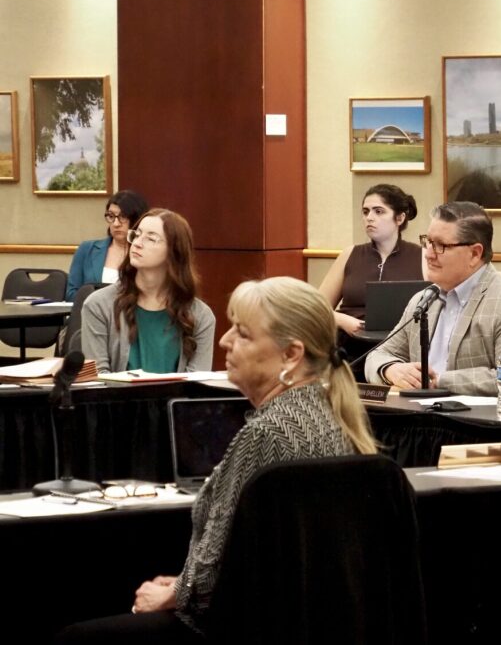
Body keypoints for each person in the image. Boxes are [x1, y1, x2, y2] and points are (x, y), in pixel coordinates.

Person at [55, 277, 378, 643]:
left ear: (291, 354)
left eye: (242, 333)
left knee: (75, 637)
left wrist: (176, 592)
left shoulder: (268, 433)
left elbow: (214, 574)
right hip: (306, 624)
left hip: (236, 629)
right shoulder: (334, 416)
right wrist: (183, 583)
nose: (224, 340)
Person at [365, 201, 501, 400]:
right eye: (428, 242)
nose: (429, 254)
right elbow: (376, 356)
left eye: (440, 245)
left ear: (474, 254)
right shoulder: (423, 300)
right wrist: (390, 369)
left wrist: (437, 381)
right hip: (426, 415)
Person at [81, 208, 215, 373]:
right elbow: (97, 378)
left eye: (151, 238)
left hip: (178, 392)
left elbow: (197, 383)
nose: (137, 243)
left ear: (174, 251)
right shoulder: (98, 305)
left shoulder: (201, 316)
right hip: (113, 391)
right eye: (136, 235)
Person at [319, 183, 424, 337]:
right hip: (349, 342)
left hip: (401, 345)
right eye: (365, 212)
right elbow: (316, 307)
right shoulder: (349, 254)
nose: (369, 218)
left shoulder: (422, 256)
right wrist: (342, 320)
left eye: (379, 211)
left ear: (400, 218)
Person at [66, 190, 149, 300]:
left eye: (123, 216)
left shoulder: (146, 252)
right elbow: (71, 294)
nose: (116, 224)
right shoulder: (87, 249)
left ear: (137, 219)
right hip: (92, 309)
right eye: (111, 216)